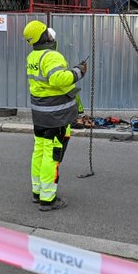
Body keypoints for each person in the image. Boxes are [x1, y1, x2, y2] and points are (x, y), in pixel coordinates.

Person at [23, 20, 88, 211]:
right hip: (56, 116)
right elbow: (59, 79)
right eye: (47, 32)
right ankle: (48, 199)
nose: (51, 34)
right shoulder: (52, 56)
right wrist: (78, 71)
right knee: (52, 156)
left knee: (40, 152)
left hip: (41, 115)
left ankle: (37, 191)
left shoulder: (33, 57)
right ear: (44, 36)